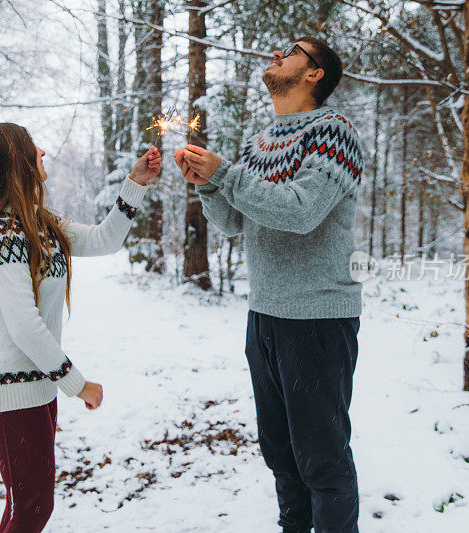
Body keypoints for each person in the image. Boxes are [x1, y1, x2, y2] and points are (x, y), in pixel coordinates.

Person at [175, 37, 363, 533]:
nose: (277, 54)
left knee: (322, 460)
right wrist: (209, 183)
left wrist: (227, 175)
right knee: (281, 453)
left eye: (293, 51)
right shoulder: (260, 142)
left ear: (314, 73)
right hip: (265, 316)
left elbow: (301, 213)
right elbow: (236, 220)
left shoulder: (333, 131)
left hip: (318, 318)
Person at [0, 122, 160, 532]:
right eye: (34, 148)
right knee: (31, 509)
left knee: (27, 507)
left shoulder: (39, 223)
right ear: (16, 161)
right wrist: (79, 384)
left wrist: (136, 183)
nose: (44, 153)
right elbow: (24, 327)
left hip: (32, 389)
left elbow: (104, 240)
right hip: (11, 393)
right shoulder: (4, 230)